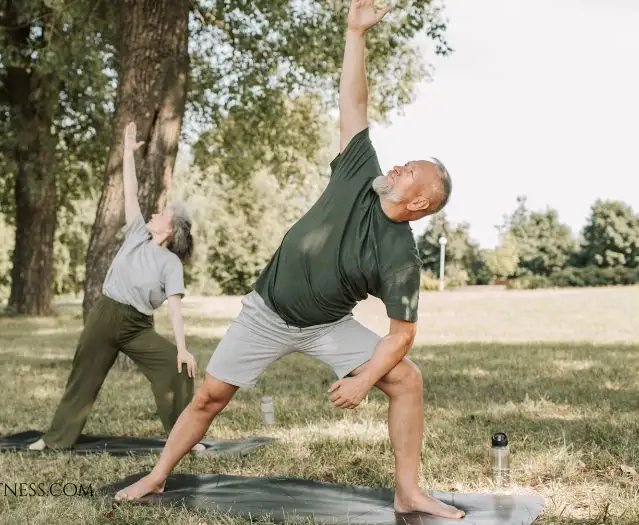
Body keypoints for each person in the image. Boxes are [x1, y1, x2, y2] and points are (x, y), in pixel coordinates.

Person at [114, 0, 463, 520]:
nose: (397, 165)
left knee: (406, 378)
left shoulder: (401, 257)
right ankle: (158, 475)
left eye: (409, 170)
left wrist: (365, 379)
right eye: (403, 161)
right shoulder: (359, 173)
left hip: (327, 325)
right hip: (267, 312)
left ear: (417, 203)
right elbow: (354, 101)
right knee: (210, 397)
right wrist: (355, 33)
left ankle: (409, 491)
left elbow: (401, 334)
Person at [28, 121, 202, 452]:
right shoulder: (137, 232)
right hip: (106, 316)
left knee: (175, 367)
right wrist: (126, 153)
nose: (154, 213)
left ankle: (184, 438)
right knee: (84, 378)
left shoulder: (171, 264)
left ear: (170, 230)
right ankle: (55, 440)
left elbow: (175, 309)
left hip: (137, 326)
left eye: (161, 214)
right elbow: (130, 190)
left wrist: (182, 348)